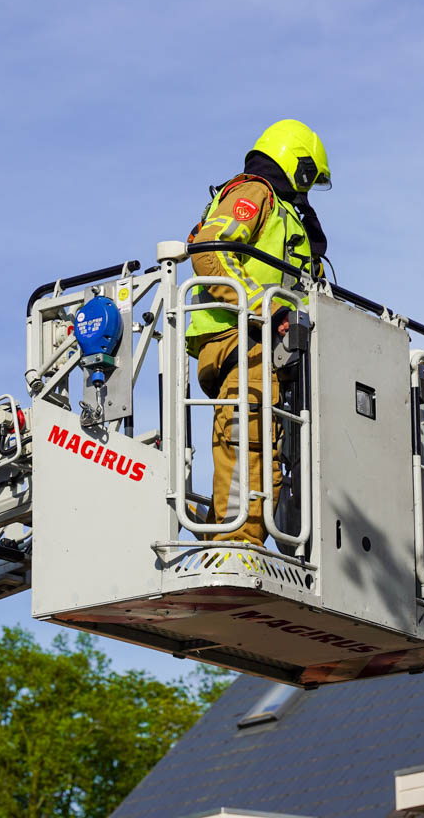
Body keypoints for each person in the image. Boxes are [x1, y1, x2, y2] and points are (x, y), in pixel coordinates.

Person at [184, 119, 331, 546]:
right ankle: (235, 544)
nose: (307, 191)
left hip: (269, 348)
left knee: (269, 448)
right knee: (248, 438)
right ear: (298, 166)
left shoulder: (286, 214)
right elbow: (211, 251)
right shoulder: (255, 193)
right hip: (241, 341)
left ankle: (240, 539)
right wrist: (266, 309)